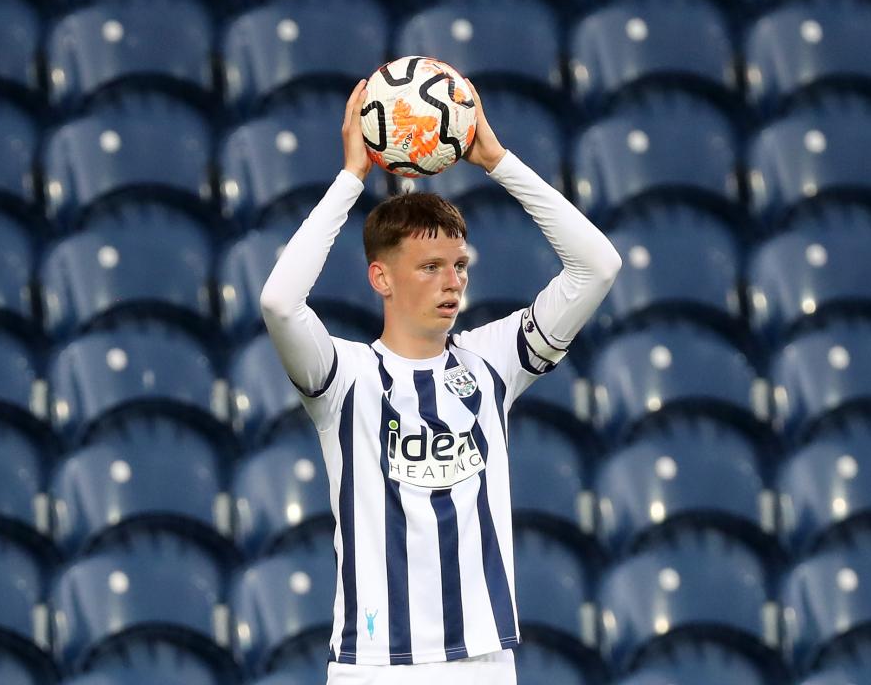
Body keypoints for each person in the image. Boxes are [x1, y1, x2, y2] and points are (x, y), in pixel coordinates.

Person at [259, 77, 622, 685]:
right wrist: (352, 177)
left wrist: (497, 161)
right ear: (381, 278)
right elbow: (278, 302)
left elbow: (598, 266)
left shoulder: (490, 363)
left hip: (482, 660)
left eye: (458, 266)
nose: (452, 282)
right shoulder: (343, 378)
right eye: (430, 268)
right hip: (373, 664)